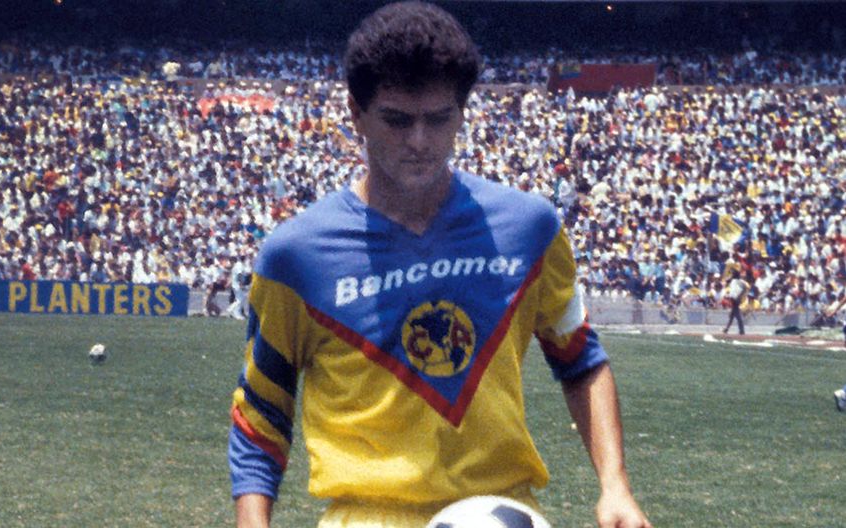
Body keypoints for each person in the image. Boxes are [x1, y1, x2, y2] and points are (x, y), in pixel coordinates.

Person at [227, 3, 652, 528]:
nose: (419, 141)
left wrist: (615, 485)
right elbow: (261, 414)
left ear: (462, 113)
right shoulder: (296, 256)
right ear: (356, 113)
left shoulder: (529, 228)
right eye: (397, 120)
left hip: (503, 512)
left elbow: (581, 361)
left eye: (438, 118)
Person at [722, 269, 750, 335]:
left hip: (736, 299)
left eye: (732, 274)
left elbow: (744, 288)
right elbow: (727, 281)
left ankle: (741, 330)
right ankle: (727, 329)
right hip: (734, 299)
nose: (731, 275)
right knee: (732, 315)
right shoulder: (734, 281)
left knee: (737, 315)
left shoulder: (738, 281)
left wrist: (738, 296)